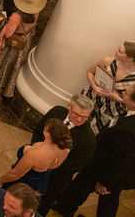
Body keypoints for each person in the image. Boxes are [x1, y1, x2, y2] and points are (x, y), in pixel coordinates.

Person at [52, 84, 135, 217]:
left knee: (106, 197)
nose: (123, 92)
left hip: (107, 169)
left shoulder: (128, 131)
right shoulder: (130, 114)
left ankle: (65, 207)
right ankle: (64, 207)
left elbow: (121, 161)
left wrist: (105, 182)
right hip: (103, 163)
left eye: (126, 92)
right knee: (82, 185)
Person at [29, 94, 96, 215]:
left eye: (84, 117)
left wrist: (46, 165)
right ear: (69, 106)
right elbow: (39, 130)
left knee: (41, 207)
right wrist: (35, 152)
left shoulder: (88, 140)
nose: (79, 119)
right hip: (33, 162)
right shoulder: (57, 111)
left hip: (55, 180)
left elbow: (73, 166)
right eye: (76, 114)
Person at [0, 0, 47, 100]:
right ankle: (7, 88)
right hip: (24, 43)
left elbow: (8, 34)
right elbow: (34, 26)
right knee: (14, 68)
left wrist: (3, 21)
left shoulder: (16, 17)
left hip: (12, 45)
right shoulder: (36, 12)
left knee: (2, 66)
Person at [0, 118, 71, 194]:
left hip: (23, 184)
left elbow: (15, 174)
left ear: (47, 134)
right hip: (41, 184)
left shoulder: (35, 154)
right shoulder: (65, 150)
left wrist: (0, 180)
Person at [80, 41, 135, 134]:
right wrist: (94, 86)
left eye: (120, 51)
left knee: (95, 131)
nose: (116, 51)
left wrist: (119, 100)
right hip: (93, 96)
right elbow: (90, 72)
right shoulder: (107, 61)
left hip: (113, 109)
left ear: (129, 58)